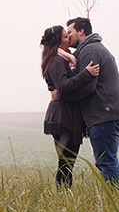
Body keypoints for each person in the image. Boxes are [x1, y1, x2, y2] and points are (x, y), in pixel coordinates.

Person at [53, 17, 119, 187]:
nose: (69, 37)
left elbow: (88, 87)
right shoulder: (90, 49)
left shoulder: (90, 51)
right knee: (105, 159)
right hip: (107, 113)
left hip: (105, 113)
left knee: (106, 160)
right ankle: (113, 197)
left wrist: (61, 95)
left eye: (71, 32)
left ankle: (114, 200)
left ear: (81, 31)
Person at [40, 25, 99, 189]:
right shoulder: (58, 61)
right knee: (66, 163)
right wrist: (86, 73)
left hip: (67, 117)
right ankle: (63, 196)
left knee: (67, 163)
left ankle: (64, 195)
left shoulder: (63, 59)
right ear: (59, 42)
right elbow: (64, 86)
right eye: (66, 37)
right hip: (63, 118)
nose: (69, 39)